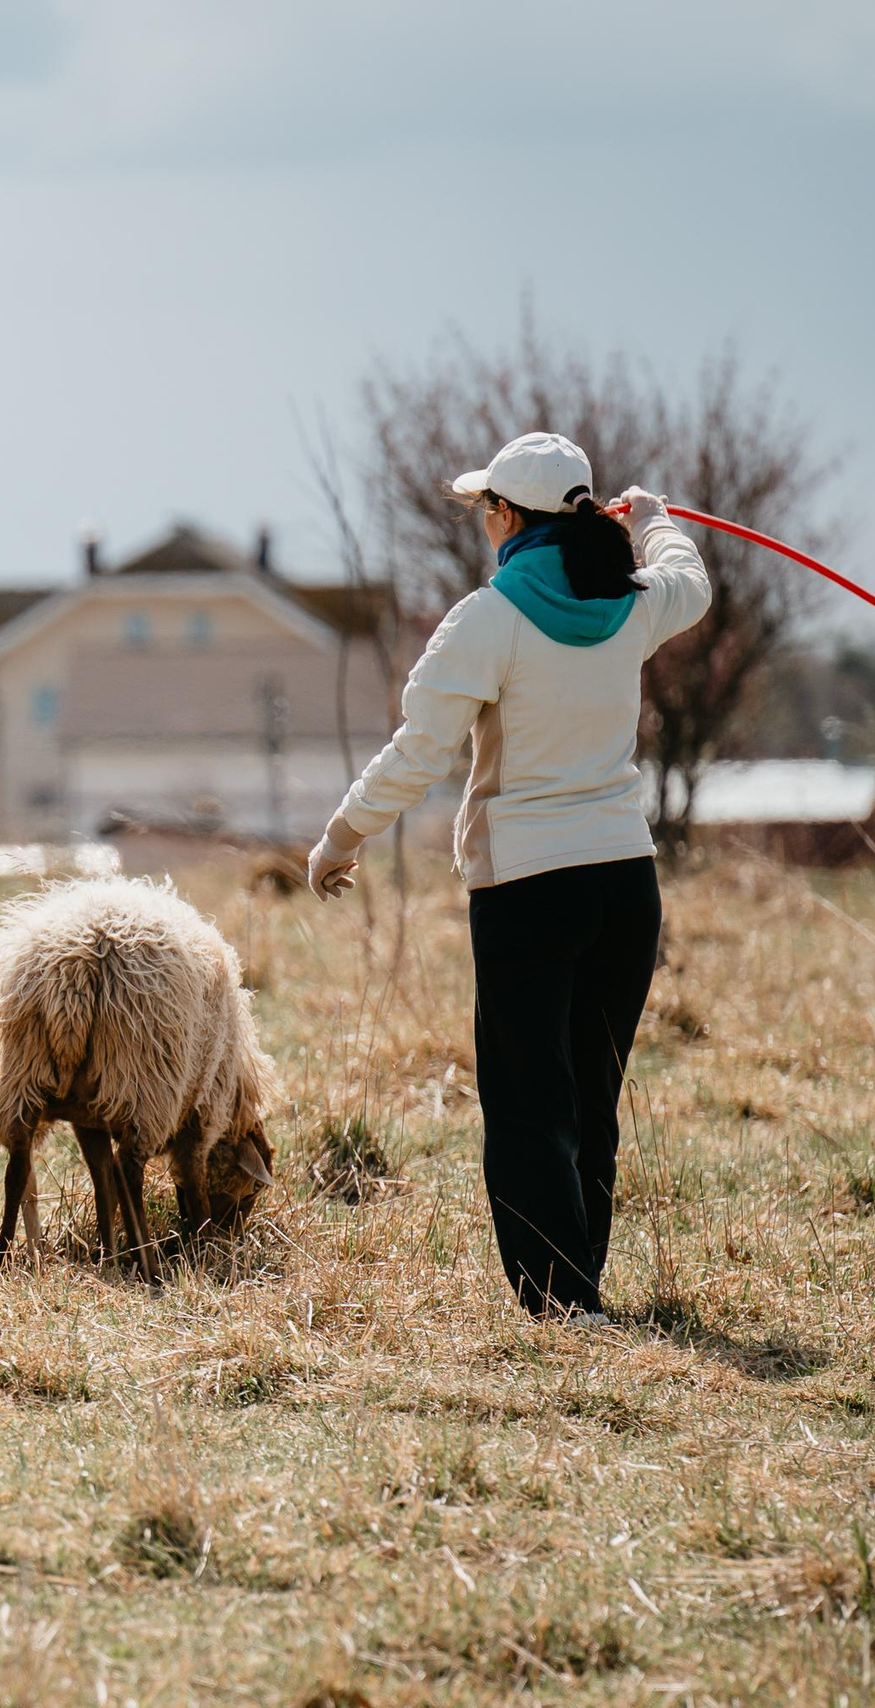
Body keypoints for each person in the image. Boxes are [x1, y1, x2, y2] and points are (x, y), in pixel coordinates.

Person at [307, 431, 710, 1325]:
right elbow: (692, 581)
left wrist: (342, 836)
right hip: (625, 887)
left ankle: (563, 1305)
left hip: (529, 892)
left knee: (531, 1102)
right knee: (589, 1095)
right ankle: (582, 1292)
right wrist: (656, 521)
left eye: (484, 505)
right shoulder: (635, 600)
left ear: (503, 516)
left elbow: (420, 751)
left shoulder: (488, 619)